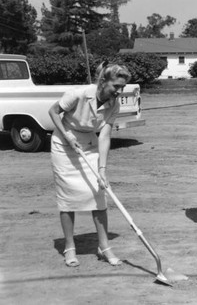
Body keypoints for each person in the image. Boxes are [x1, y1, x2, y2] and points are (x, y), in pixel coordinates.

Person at [48, 62, 131, 267]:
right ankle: (69, 247)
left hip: (90, 146)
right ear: (103, 81)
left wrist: (102, 169)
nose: (119, 91)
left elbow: (104, 136)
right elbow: (53, 111)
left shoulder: (114, 104)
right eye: (116, 86)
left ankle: (104, 247)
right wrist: (67, 136)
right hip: (64, 146)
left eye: (122, 88)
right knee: (68, 198)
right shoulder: (79, 94)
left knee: (99, 193)